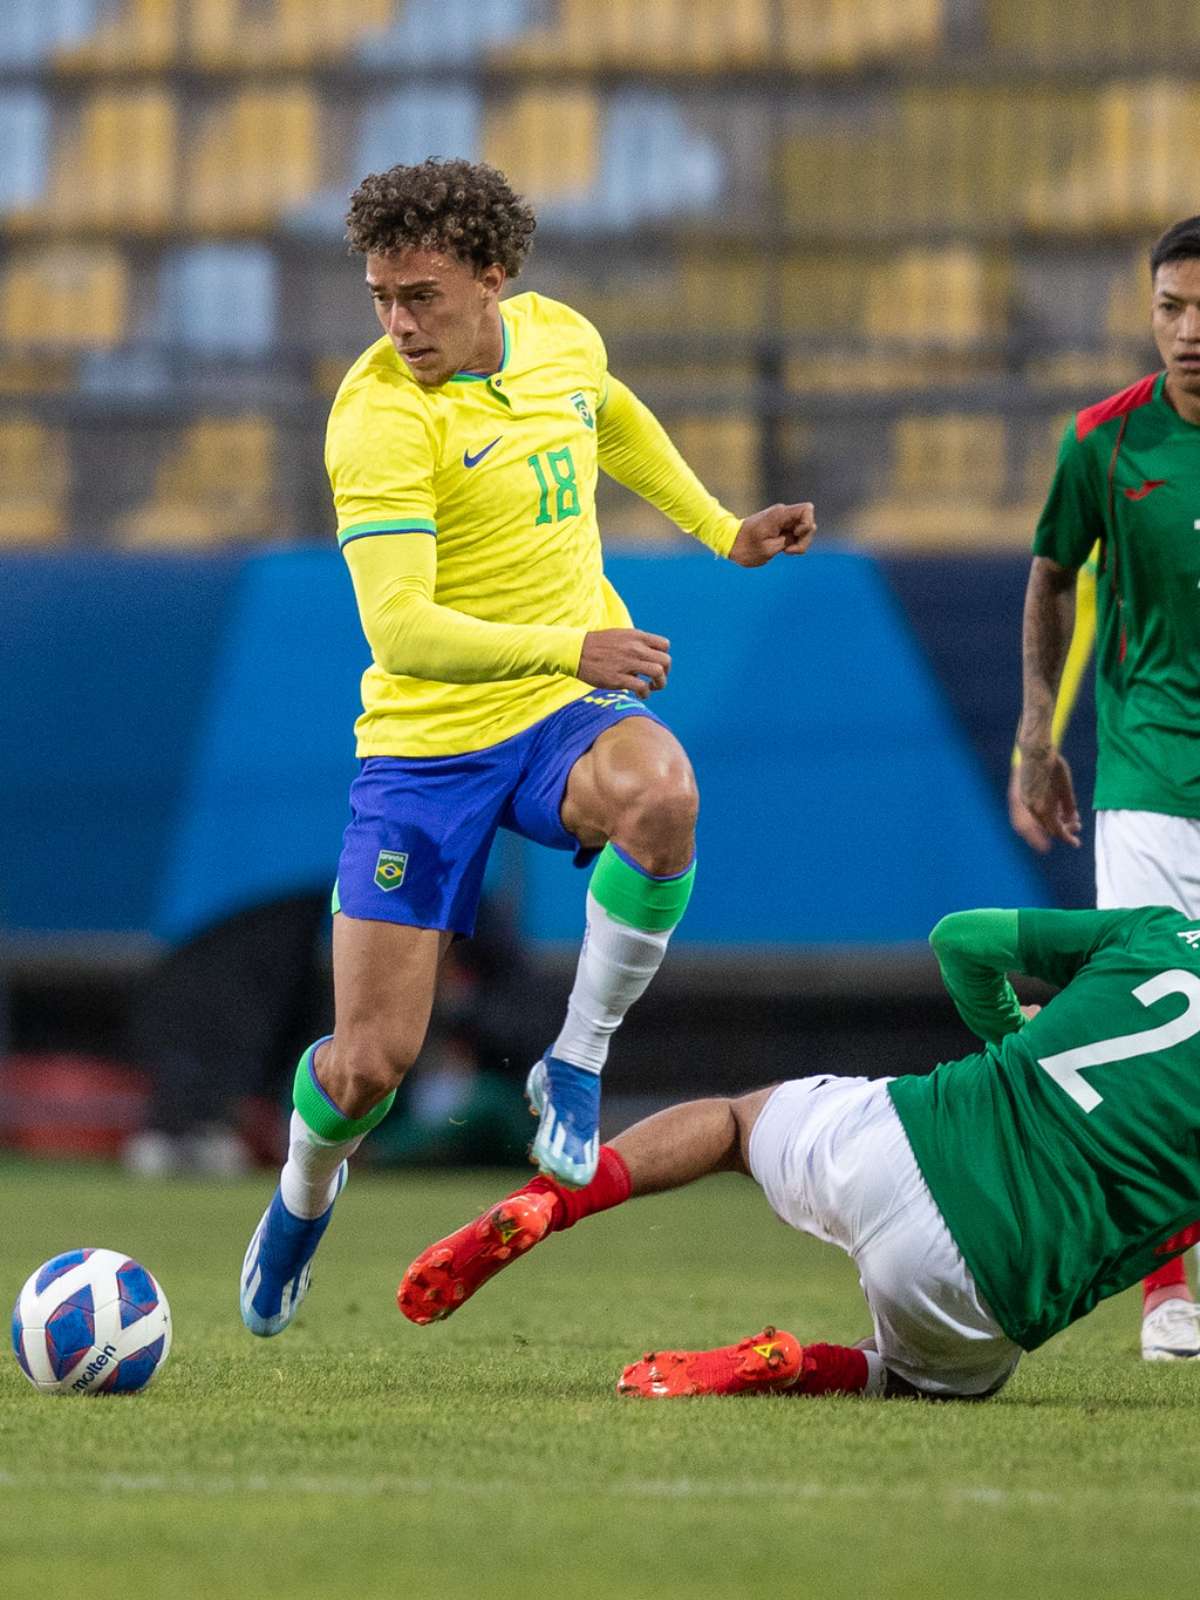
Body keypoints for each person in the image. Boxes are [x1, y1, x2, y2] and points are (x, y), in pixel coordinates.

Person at [239, 159, 815, 1337]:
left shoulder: (558, 339)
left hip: (557, 711)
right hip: (427, 744)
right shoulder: (380, 416)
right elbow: (401, 628)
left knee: (664, 793)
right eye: (381, 297)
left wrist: (721, 530)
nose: (399, 324)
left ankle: (577, 1060)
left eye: (424, 297)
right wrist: (574, 639)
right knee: (368, 1067)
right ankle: (303, 1192)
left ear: (494, 278)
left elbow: (613, 417)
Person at [400, 904, 1200, 1399]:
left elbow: (961, 940)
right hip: (982, 1284)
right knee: (926, 1381)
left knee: (734, 1126)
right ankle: (796, 1364)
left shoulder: (1161, 931)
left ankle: (552, 1198)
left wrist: (1011, 1038)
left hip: (902, 1137)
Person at [1009, 214, 1200, 1361]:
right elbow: (1051, 575)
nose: (1189, 332)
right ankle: (1166, 1292)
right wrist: (1039, 733)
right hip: (1149, 783)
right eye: (1170, 307)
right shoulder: (1103, 444)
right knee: (1159, 1025)